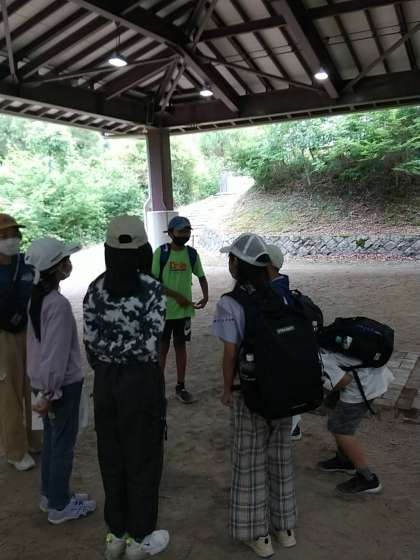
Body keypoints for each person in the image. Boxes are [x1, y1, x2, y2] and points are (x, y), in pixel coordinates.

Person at [83, 215, 169, 560]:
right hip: (141, 382)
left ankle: (115, 535)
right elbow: (151, 343)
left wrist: (109, 362)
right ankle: (139, 537)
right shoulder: (152, 289)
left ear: (108, 250)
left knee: (112, 456)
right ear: (142, 249)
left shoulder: (94, 289)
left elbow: (90, 345)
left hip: (106, 383)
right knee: (143, 458)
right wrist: (128, 360)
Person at [212, 233, 297, 558]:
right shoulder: (282, 296)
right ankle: (285, 529)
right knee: (280, 457)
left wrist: (226, 389)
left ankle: (258, 535)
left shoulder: (231, 303)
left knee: (249, 462)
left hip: (250, 393)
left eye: (230, 258)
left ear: (236, 263)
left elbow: (230, 353)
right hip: (284, 391)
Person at [25, 237, 96, 523]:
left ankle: (51, 494)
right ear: (55, 268)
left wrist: (42, 390)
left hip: (41, 383)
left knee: (52, 441)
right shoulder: (58, 305)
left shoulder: (36, 298)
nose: (68, 264)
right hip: (59, 387)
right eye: (64, 261)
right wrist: (49, 392)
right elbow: (55, 355)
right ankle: (59, 506)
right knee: (63, 445)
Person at [318, 347, 394, 494]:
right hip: (371, 375)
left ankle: (368, 479)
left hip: (362, 386)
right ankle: (345, 461)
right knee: (332, 410)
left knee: (340, 429)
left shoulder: (320, 357)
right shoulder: (325, 343)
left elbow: (343, 380)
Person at [0, 213, 42, 471]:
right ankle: (15, 451)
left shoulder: (27, 263)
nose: (11, 240)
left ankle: (37, 439)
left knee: (35, 385)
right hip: (3, 337)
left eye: (14, 234)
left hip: (29, 330)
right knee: (9, 392)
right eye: (4, 236)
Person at [152, 216, 208, 404]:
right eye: (181, 231)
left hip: (183, 313)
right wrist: (176, 296)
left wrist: (206, 296)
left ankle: (180, 387)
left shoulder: (191, 254)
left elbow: (201, 276)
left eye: (187, 231)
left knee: (181, 347)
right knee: (162, 349)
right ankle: (157, 389)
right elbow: (154, 283)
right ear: (170, 233)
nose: (185, 235)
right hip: (163, 311)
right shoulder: (161, 253)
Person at [266, 244, 302, 442]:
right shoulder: (281, 285)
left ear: (269, 265)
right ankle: (293, 425)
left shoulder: (276, 292)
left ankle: (292, 427)